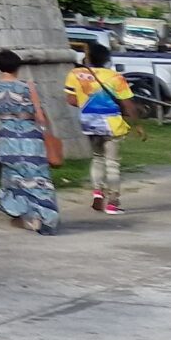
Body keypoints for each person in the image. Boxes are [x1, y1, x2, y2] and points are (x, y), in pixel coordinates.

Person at [0, 51, 60, 236]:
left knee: (14, 176)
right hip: (30, 135)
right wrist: (46, 133)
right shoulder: (28, 86)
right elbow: (39, 115)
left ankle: (22, 214)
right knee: (37, 175)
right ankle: (45, 216)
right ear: (18, 67)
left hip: (7, 136)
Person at [65, 39, 135, 216]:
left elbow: (72, 100)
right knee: (112, 164)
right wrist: (137, 123)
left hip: (89, 122)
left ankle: (97, 192)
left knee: (97, 158)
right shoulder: (115, 77)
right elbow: (128, 104)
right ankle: (113, 203)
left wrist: (88, 104)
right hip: (111, 124)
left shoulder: (76, 73)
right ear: (106, 59)